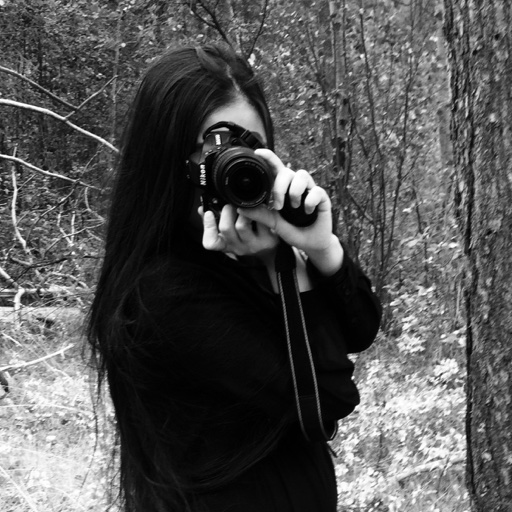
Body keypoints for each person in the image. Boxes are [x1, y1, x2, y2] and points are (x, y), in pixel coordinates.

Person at [87, 43, 381, 512]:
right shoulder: (162, 292)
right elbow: (328, 398)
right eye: (211, 153)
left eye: (249, 147)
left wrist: (320, 247)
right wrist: (283, 267)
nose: (233, 168)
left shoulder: (252, 247)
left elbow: (362, 327)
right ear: (167, 163)